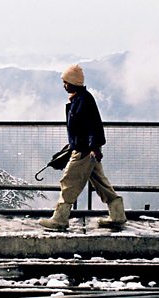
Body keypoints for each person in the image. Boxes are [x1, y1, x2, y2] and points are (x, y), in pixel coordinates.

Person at [38, 64, 127, 230]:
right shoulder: (80, 99)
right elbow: (84, 128)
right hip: (87, 150)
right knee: (101, 183)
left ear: (73, 82)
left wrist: (93, 147)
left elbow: (93, 126)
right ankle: (118, 215)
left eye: (66, 81)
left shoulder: (83, 101)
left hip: (84, 152)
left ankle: (60, 219)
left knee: (68, 182)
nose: (64, 85)